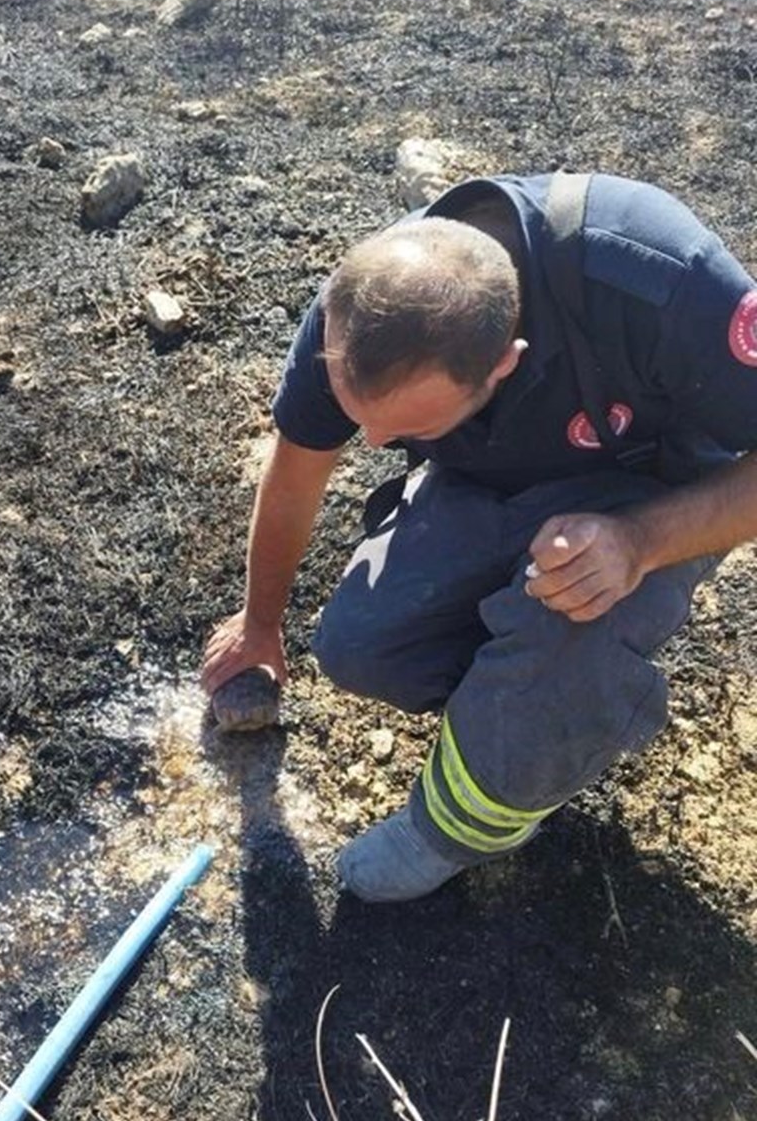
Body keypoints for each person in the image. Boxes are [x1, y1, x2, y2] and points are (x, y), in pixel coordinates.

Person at [201, 171, 757, 902]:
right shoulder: (360, 310)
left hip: (651, 486)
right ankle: (521, 710)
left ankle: (464, 825)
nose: (368, 442)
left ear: (506, 360)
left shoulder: (664, 284)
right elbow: (297, 472)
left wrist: (639, 542)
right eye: (361, 418)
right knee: (360, 647)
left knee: (571, 615)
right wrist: (261, 623)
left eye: (404, 428)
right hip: (491, 472)